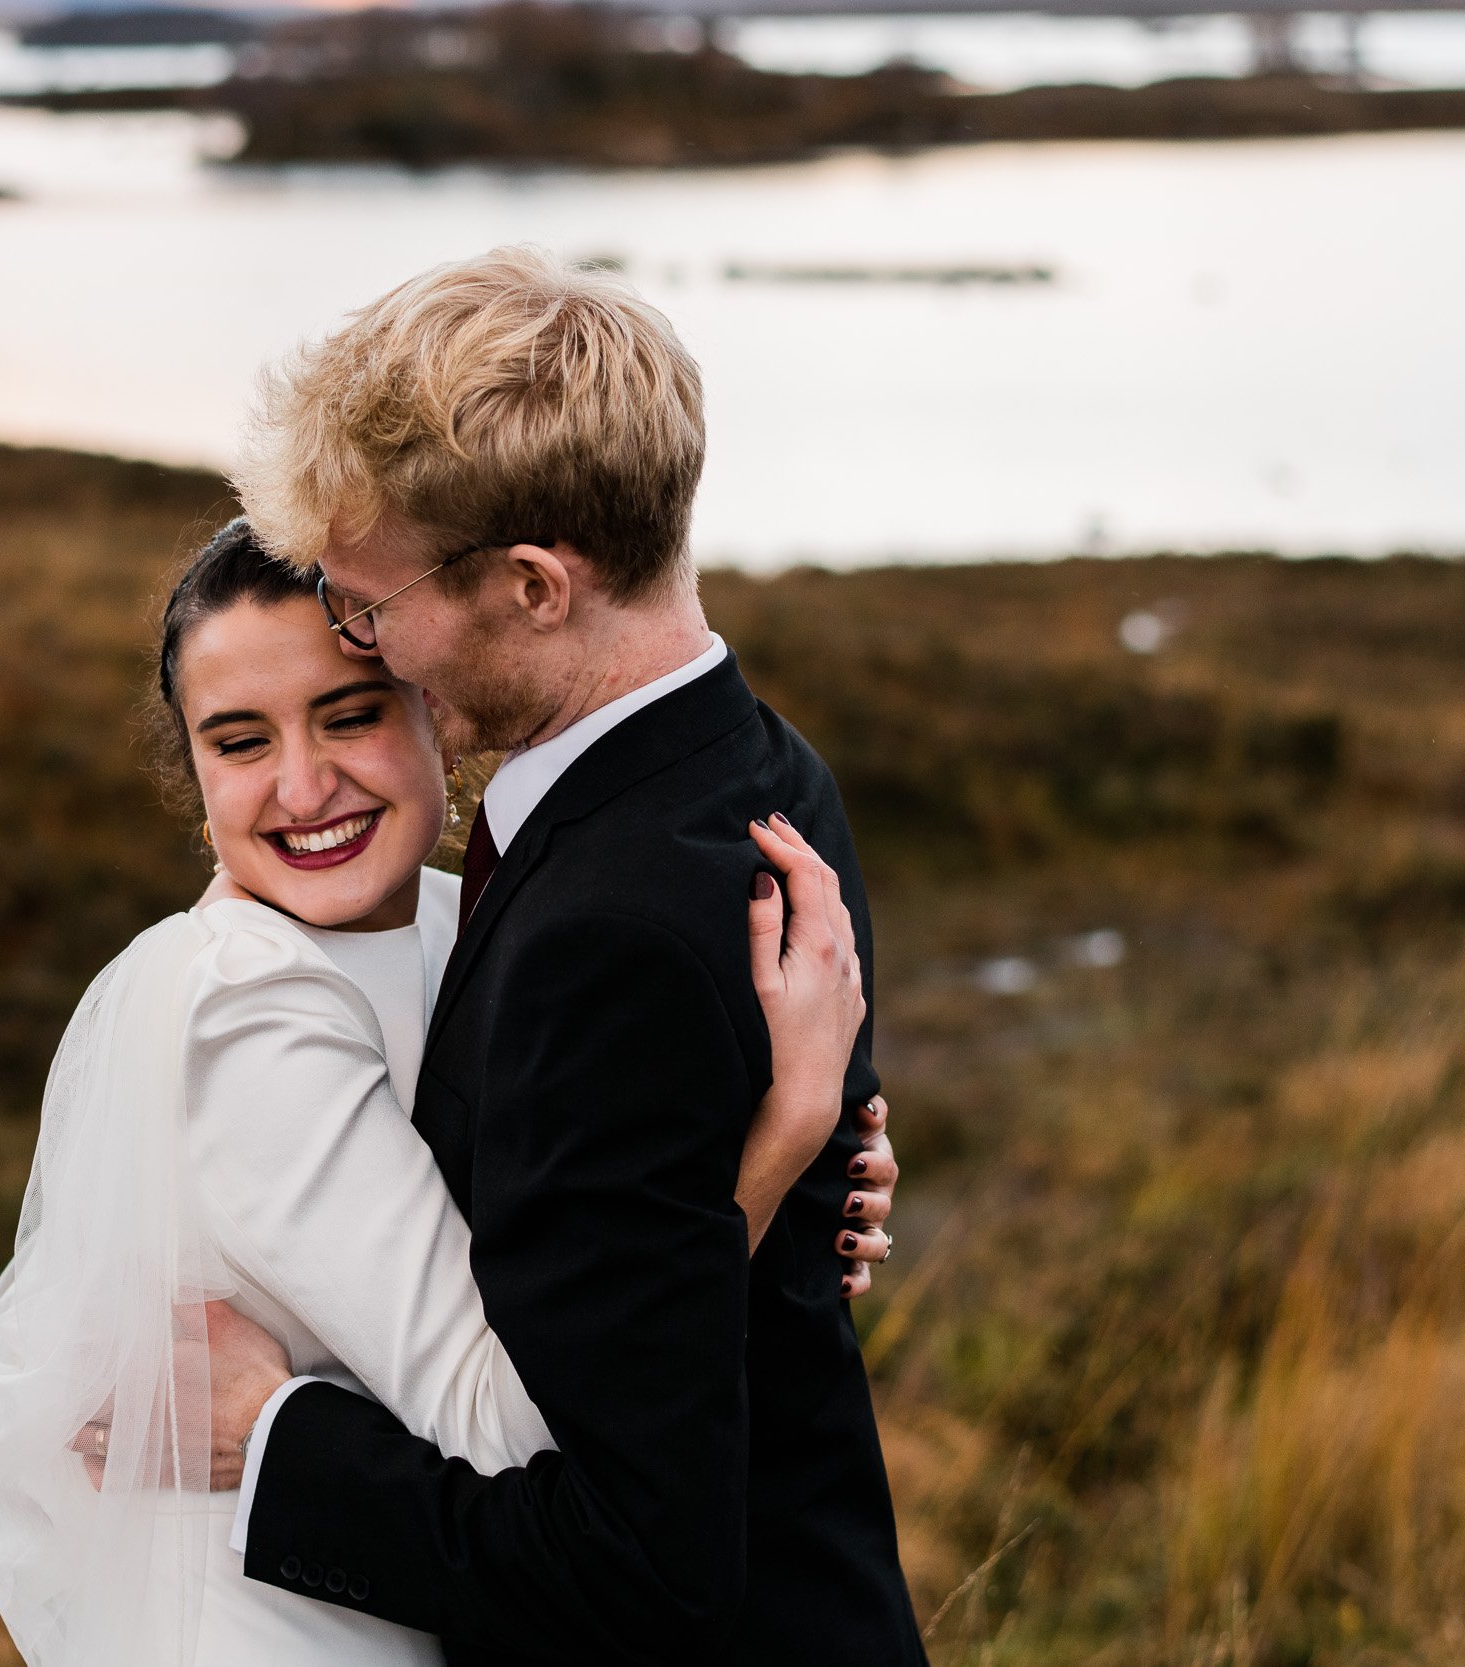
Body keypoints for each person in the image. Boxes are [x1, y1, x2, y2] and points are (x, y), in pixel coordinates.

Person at [0, 518, 894, 1665]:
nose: (303, 785)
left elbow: (571, 1215)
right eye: (239, 742)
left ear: (432, 701)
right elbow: (516, 1421)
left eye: (350, 714)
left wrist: (779, 1190)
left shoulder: (466, 922)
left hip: (428, 1593)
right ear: (193, 776)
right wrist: (772, 1154)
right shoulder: (245, 1013)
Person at [199, 246, 928, 1665]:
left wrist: (273, 1442)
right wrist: (772, 1185)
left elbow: (632, 1568)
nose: (364, 643)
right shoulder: (761, 766)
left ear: (534, 583)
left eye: (371, 602)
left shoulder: (609, 937)